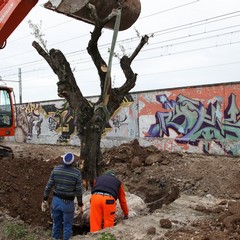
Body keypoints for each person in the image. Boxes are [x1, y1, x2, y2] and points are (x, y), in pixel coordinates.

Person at [41, 152, 83, 240]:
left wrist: (44, 199)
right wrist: (80, 204)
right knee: (67, 226)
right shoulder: (77, 173)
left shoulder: (56, 170)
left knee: (56, 224)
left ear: (63, 160)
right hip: (68, 203)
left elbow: (49, 185)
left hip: (56, 201)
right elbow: (79, 190)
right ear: (73, 162)